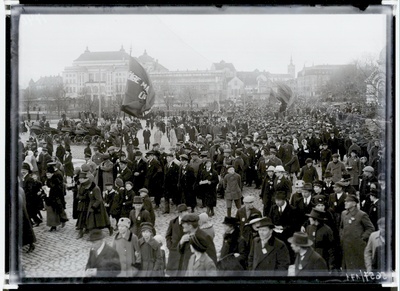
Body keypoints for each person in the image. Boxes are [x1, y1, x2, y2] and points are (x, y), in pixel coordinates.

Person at [340, 194, 375, 272]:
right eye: (345, 201)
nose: (345, 203)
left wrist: (362, 238)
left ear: (354, 203)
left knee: (358, 267)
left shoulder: (361, 214)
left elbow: (371, 228)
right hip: (346, 245)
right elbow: (341, 227)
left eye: (348, 202)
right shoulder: (343, 213)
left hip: (357, 246)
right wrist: (342, 236)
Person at [85, 173, 113, 237]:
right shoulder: (89, 187)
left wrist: (94, 206)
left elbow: (99, 199)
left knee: (103, 219)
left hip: (98, 207)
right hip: (92, 205)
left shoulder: (96, 188)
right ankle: (93, 231)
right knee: (92, 219)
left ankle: (110, 228)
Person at [165, 203, 190, 277]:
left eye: (187, 211)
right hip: (174, 252)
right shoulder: (173, 222)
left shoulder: (190, 222)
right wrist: (170, 246)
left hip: (185, 252)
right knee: (173, 274)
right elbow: (168, 235)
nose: (187, 213)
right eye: (185, 211)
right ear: (180, 213)